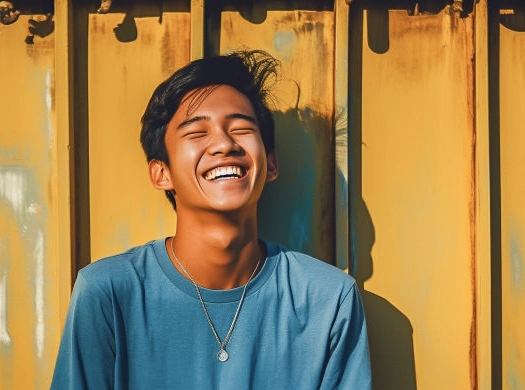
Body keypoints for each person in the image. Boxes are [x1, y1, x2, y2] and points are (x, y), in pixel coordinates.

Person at [50, 50, 371, 389]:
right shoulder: (108, 292)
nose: (223, 144)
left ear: (271, 164)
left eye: (241, 128)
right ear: (162, 173)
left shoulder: (329, 300)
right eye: (197, 133)